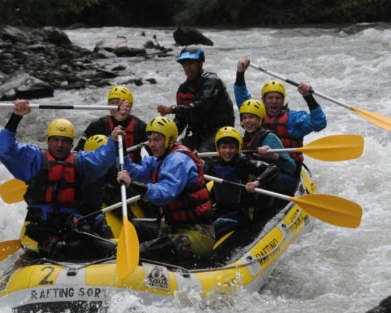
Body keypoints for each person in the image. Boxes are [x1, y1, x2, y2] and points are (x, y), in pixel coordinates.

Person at [0, 100, 124, 261]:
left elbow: (102, 158)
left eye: (65, 141)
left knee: (108, 249)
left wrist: (112, 138)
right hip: (37, 232)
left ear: (71, 144)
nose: (59, 145)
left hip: (67, 229)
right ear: (48, 140)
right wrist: (15, 118)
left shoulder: (81, 162)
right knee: (61, 249)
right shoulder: (33, 159)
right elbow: (5, 150)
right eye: (55, 140)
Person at [116, 116, 215, 267]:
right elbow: (133, 172)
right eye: (150, 139)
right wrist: (120, 150)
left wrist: (132, 185)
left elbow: (165, 194)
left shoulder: (179, 160)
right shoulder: (159, 158)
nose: (152, 144)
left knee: (141, 252)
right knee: (134, 226)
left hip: (197, 233)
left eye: (157, 140)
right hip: (171, 227)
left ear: (169, 140)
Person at [234, 56, 327, 176]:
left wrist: (308, 97)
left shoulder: (293, 120)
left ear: (283, 101)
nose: (274, 101)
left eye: (277, 98)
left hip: (287, 170)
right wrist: (240, 73)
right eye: (270, 98)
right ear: (263, 100)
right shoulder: (255, 115)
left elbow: (319, 123)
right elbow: (242, 98)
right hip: (259, 167)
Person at [203, 126, 280, 240]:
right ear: (218, 148)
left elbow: (273, 168)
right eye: (223, 147)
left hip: (240, 213)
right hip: (219, 209)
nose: (227, 151)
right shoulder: (214, 165)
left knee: (212, 229)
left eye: (231, 147)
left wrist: (256, 182)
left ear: (238, 148)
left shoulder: (244, 162)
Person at [156, 45, 235, 153]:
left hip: (219, 131)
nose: (187, 67)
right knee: (173, 151)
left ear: (200, 63)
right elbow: (180, 121)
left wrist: (173, 109)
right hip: (197, 134)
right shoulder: (183, 89)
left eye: (191, 63)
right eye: (185, 64)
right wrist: (164, 137)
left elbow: (203, 105)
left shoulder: (212, 81)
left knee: (203, 151)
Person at [238, 99, 298, 201]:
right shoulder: (243, 140)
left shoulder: (269, 137)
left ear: (260, 119)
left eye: (252, 117)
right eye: (244, 118)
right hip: (256, 180)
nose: (247, 121)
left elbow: (291, 167)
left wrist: (273, 156)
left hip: (279, 179)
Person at [75, 85, 148, 163]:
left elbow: (155, 153)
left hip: (131, 171)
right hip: (103, 170)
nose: (114, 106)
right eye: (112, 103)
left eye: (117, 103)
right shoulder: (97, 125)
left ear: (129, 105)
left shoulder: (140, 126)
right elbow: (78, 151)